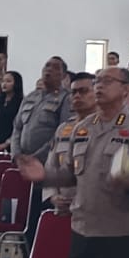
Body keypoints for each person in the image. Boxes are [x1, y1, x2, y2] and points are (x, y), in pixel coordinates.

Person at [16, 67, 129, 258]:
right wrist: (45, 176)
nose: (99, 86)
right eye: (97, 81)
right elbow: (69, 174)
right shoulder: (82, 128)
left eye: (107, 81)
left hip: (120, 231)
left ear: (125, 89)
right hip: (82, 228)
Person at [12, 56, 72, 250]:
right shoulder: (31, 97)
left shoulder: (65, 99)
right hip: (23, 165)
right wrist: (17, 155)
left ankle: (39, 253)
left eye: (55, 68)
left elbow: (62, 133)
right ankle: (26, 254)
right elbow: (17, 128)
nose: (49, 70)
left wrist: (36, 157)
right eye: (46, 66)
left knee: (40, 216)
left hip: (45, 166)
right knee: (23, 216)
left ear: (63, 75)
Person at [47, 74, 98, 215]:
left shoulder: (105, 128)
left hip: (93, 210)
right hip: (64, 208)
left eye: (83, 91)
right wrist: (53, 196)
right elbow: (51, 166)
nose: (77, 96)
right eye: (73, 92)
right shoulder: (64, 129)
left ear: (97, 93)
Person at [0, 70, 24, 151]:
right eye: (3, 81)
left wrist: (6, 144)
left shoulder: (21, 102)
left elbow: (20, 126)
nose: (4, 84)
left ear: (16, 83)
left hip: (11, 144)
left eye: (8, 81)